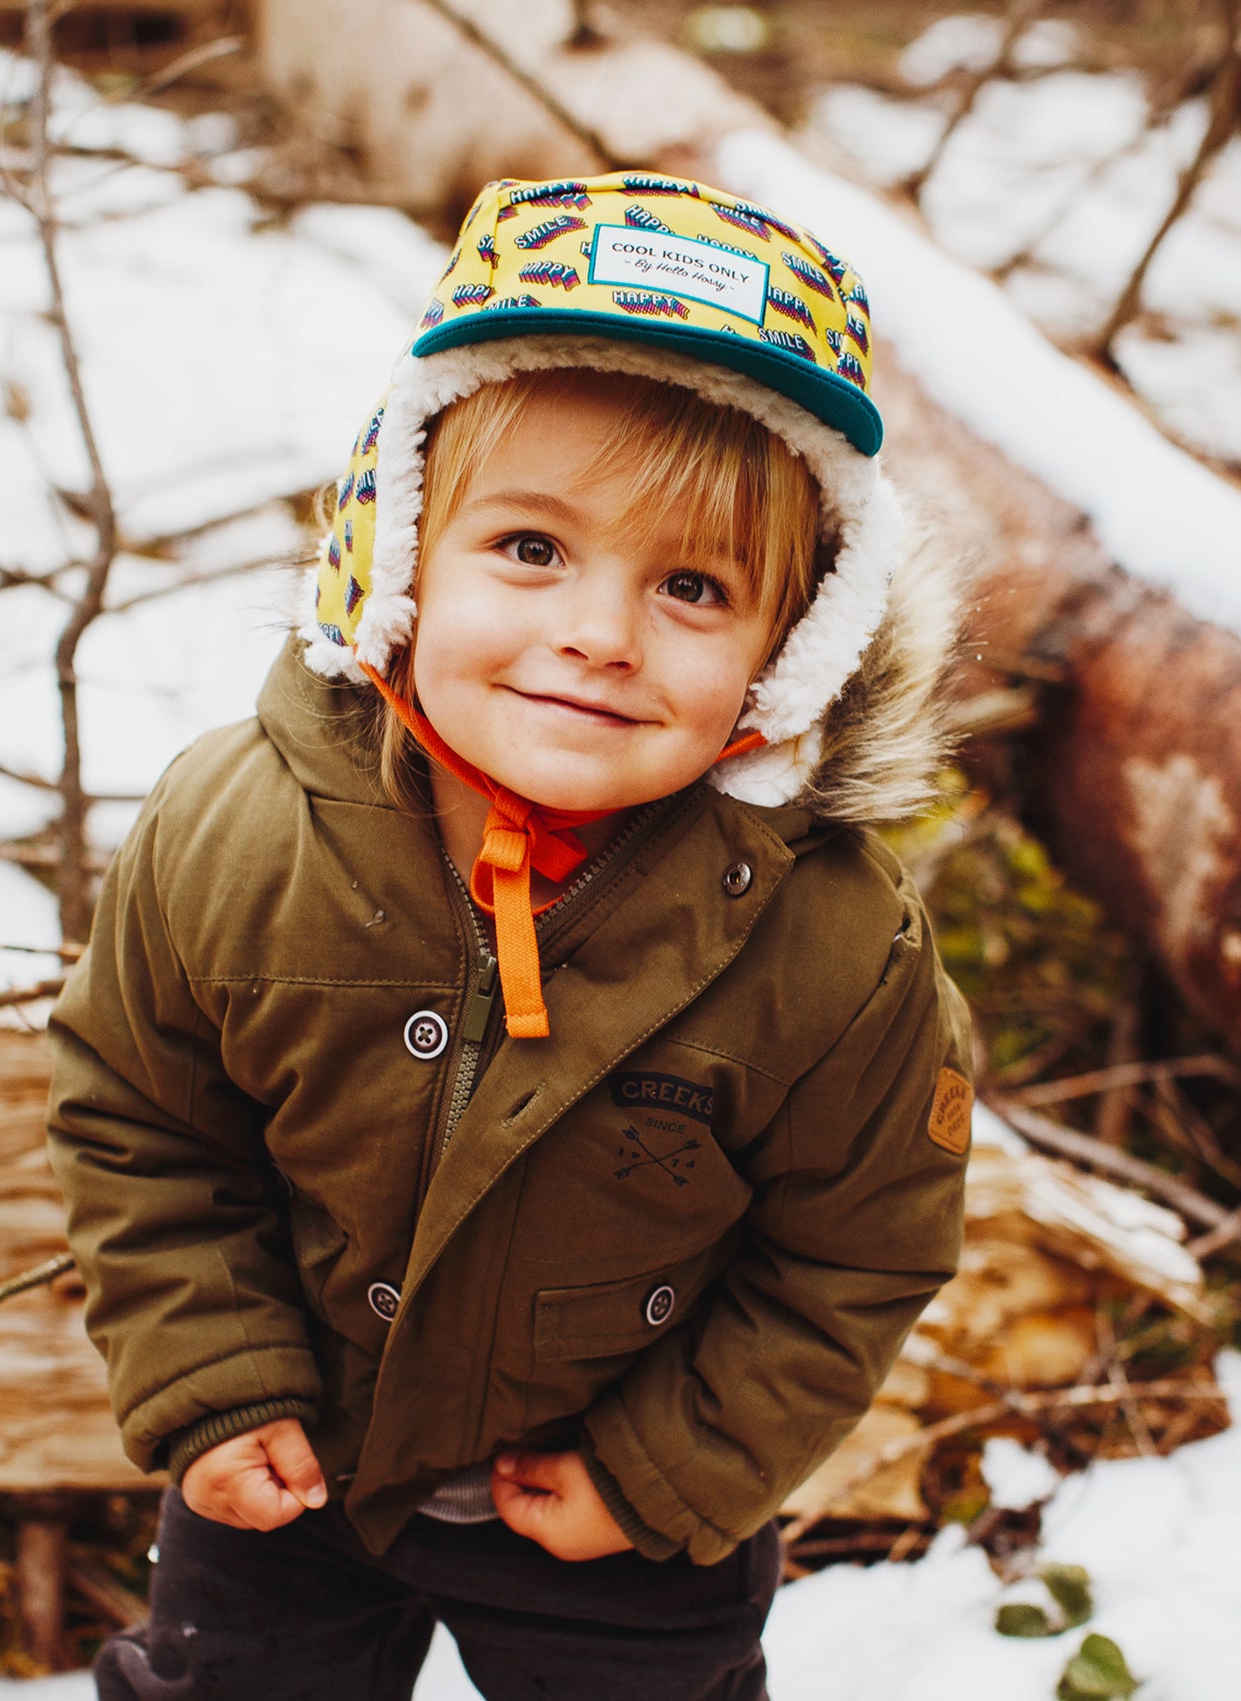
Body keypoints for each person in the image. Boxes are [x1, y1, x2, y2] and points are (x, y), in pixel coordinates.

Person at [47, 171, 974, 1701]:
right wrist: (208, 1381)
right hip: (291, 1466)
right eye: (531, 550)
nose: (599, 633)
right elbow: (142, 1121)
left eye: (689, 585)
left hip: (611, 1518)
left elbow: (854, 1252)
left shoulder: (829, 946)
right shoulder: (239, 833)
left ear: (791, 640)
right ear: (398, 542)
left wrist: (665, 1467)